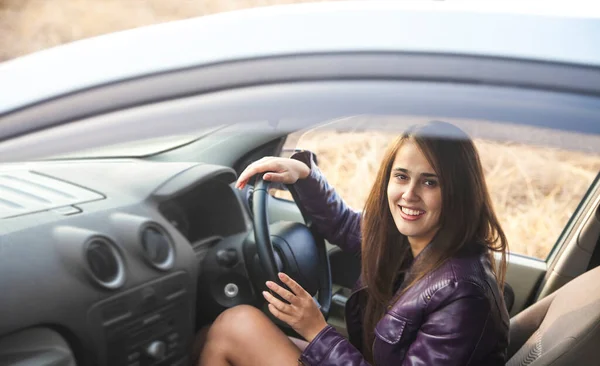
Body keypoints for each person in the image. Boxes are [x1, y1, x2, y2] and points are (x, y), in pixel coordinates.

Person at [197, 121, 510, 366]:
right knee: (205, 337)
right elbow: (348, 226)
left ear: (459, 192)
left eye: (430, 182)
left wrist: (316, 331)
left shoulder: (463, 293)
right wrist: (304, 175)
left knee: (235, 326)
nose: (409, 194)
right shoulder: (412, 240)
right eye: (401, 176)